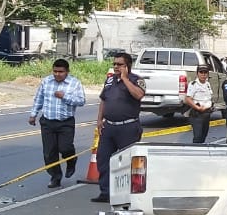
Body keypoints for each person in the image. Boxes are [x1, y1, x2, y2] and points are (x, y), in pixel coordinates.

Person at [92, 52, 146, 203]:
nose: (116, 67)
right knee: (103, 159)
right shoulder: (109, 81)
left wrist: (125, 79)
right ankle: (106, 192)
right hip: (109, 127)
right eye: (114, 64)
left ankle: (127, 194)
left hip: (128, 127)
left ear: (127, 66)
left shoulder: (137, 80)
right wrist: (99, 119)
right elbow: (104, 100)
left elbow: (138, 95)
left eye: (120, 64)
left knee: (127, 162)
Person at [28, 58, 86, 188]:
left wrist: (64, 96)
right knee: (49, 152)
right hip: (48, 121)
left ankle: (71, 161)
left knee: (65, 148)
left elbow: (81, 101)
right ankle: (55, 176)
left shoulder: (74, 83)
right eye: (55, 71)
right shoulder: (46, 82)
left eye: (61, 72)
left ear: (67, 72)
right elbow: (39, 98)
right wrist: (33, 114)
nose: (57, 74)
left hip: (66, 122)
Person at [184, 65, 215, 144]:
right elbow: (188, 99)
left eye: (205, 72)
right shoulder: (194, 84)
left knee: (203, 135)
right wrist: (198, 108)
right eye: (201, 72)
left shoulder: (207, 84)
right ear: (197, 74)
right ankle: (195, 154)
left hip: (206, 113)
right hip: (197, 114)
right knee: (198, 137)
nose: (203, 74)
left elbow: (209, 98)